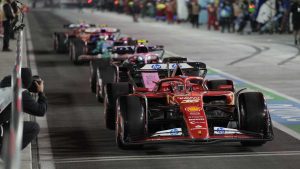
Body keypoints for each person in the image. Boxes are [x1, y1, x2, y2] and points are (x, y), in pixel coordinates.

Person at [0, 68, 47, 150]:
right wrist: (41, 93)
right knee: (34, 127)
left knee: (13, 117)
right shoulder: (19, 94)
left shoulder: (5, 83)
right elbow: (41, 110)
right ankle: (5, 154)